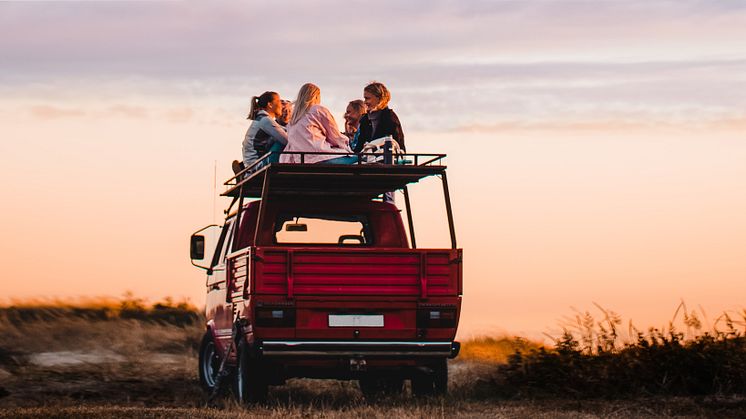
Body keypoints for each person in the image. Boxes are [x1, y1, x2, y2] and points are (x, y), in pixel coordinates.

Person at [280, 83, 356, 164]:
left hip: (300, 161)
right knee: (362, 159)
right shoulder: (317, 110)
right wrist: (346, 142)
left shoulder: (292, 121)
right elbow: (335, 136)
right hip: (320, 157)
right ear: (315, 96)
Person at [353, 82, 405, 154]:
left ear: (379, 98)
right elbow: (359, 147)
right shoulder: (364, 120)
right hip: (367, 160)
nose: (365, 102)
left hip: (385, 161)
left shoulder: (390, 118)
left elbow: (398, 145)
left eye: (367, 98)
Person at [242, 91, 288, 169]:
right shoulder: (265, 120)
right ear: (270, 105)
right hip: (256, 164)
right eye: (278, 101)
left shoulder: (262, 119)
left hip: (252, 162)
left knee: (281, 139)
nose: (281, 106)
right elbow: (287, 139)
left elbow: (284, 130)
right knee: (282, 142)